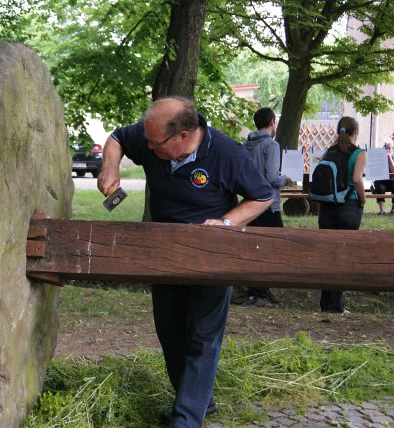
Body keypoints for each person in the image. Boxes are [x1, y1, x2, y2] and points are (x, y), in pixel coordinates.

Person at [97, 97, 274, 428]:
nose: (147, 147)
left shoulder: (227, 153)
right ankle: (198, 401)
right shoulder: (153, 137)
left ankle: (186, 419)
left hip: (211, 260)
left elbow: (262, 196)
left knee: (202, 337)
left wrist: (225, 224)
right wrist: (111, 165)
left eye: (154, 142)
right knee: (171, 334)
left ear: (181, 136)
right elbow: (118, 138)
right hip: (164, 256)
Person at [239, 107, 292, 307]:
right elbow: (271, 177)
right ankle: (259, 294)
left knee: (254, 246)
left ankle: (256, 291)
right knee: (273, 246)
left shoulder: (246, 145)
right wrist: (284, 179)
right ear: (272, 122)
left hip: (249, 203)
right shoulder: (271, 145)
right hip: (268, 203)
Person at [318, 116, 367, 314]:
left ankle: (325, 303)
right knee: (342, 256)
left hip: (327, 208)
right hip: (349, 206)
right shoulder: (359, 153)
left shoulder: (328, 152)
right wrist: (362, 199)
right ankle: (336, 305)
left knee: (327, 255)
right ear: (356, 132)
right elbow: (357, 179)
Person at [371, 142, 394, 215]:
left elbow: (393, 170)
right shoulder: (378, 158)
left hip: (392, 180)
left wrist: (389, 157)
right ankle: (381, 210)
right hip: (381, 181)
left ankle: (393, 209)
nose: (387, 150)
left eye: (389, 149)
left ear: (392, 150)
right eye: (386, 149)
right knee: (380, 188)